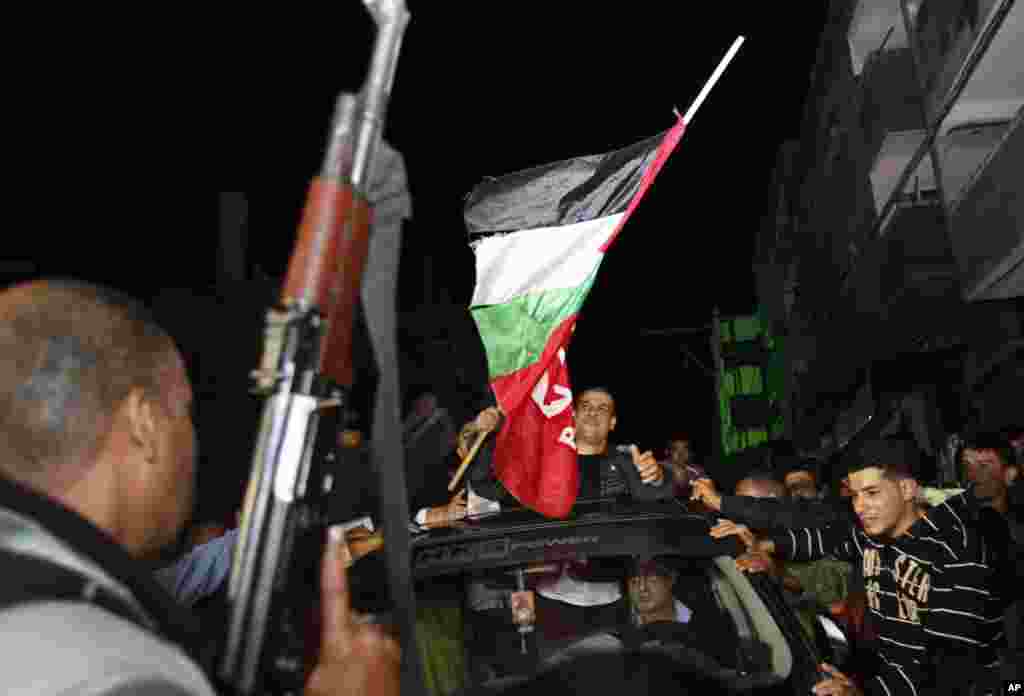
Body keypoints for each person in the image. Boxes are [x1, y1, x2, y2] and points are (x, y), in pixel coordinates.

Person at [0, 279, 399, 696]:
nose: (191, 440)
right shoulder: (116, 670)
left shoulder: (44, 594)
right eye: (184, 412)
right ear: (144, 424)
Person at [711, 437, 1007, 696]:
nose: (860, 507)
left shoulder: (957, 549)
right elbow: (826, 537)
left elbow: (950, 668)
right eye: (854, 496)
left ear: (906, 489)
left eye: (872, 493)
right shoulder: (873, 535)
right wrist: (765, 547)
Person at [469, 387, 671, 504]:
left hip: (609, 571)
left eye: (602, 409)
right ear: (572, 415)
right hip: (548, 568)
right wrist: (489, 437)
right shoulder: (540, 460)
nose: (593, 413)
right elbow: (487, 487)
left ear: (612, 423)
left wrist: (658, 477)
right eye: (586, 406)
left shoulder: (625, 461)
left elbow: (660, 496)